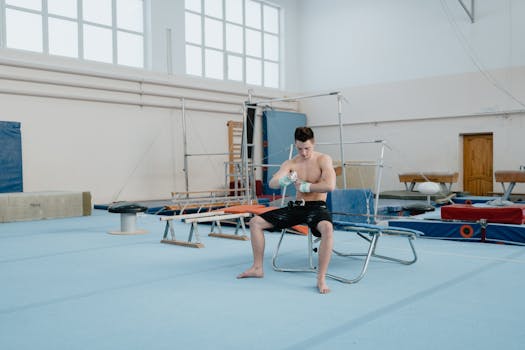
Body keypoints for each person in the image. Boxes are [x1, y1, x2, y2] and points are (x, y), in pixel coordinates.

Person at [237, 127, 336, 294]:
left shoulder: (323, 159)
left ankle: (321, 277)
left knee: (327, 228)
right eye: (300, 148)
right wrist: (285, 180)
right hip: (298, 206)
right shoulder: (291, 163)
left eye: (307, 148)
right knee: (255, 222)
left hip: (317, 207)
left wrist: (307, 186)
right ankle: (257, 268)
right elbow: (272, 182)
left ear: (314, 144)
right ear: (295, 145)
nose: (304, 152)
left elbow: (330, 186)